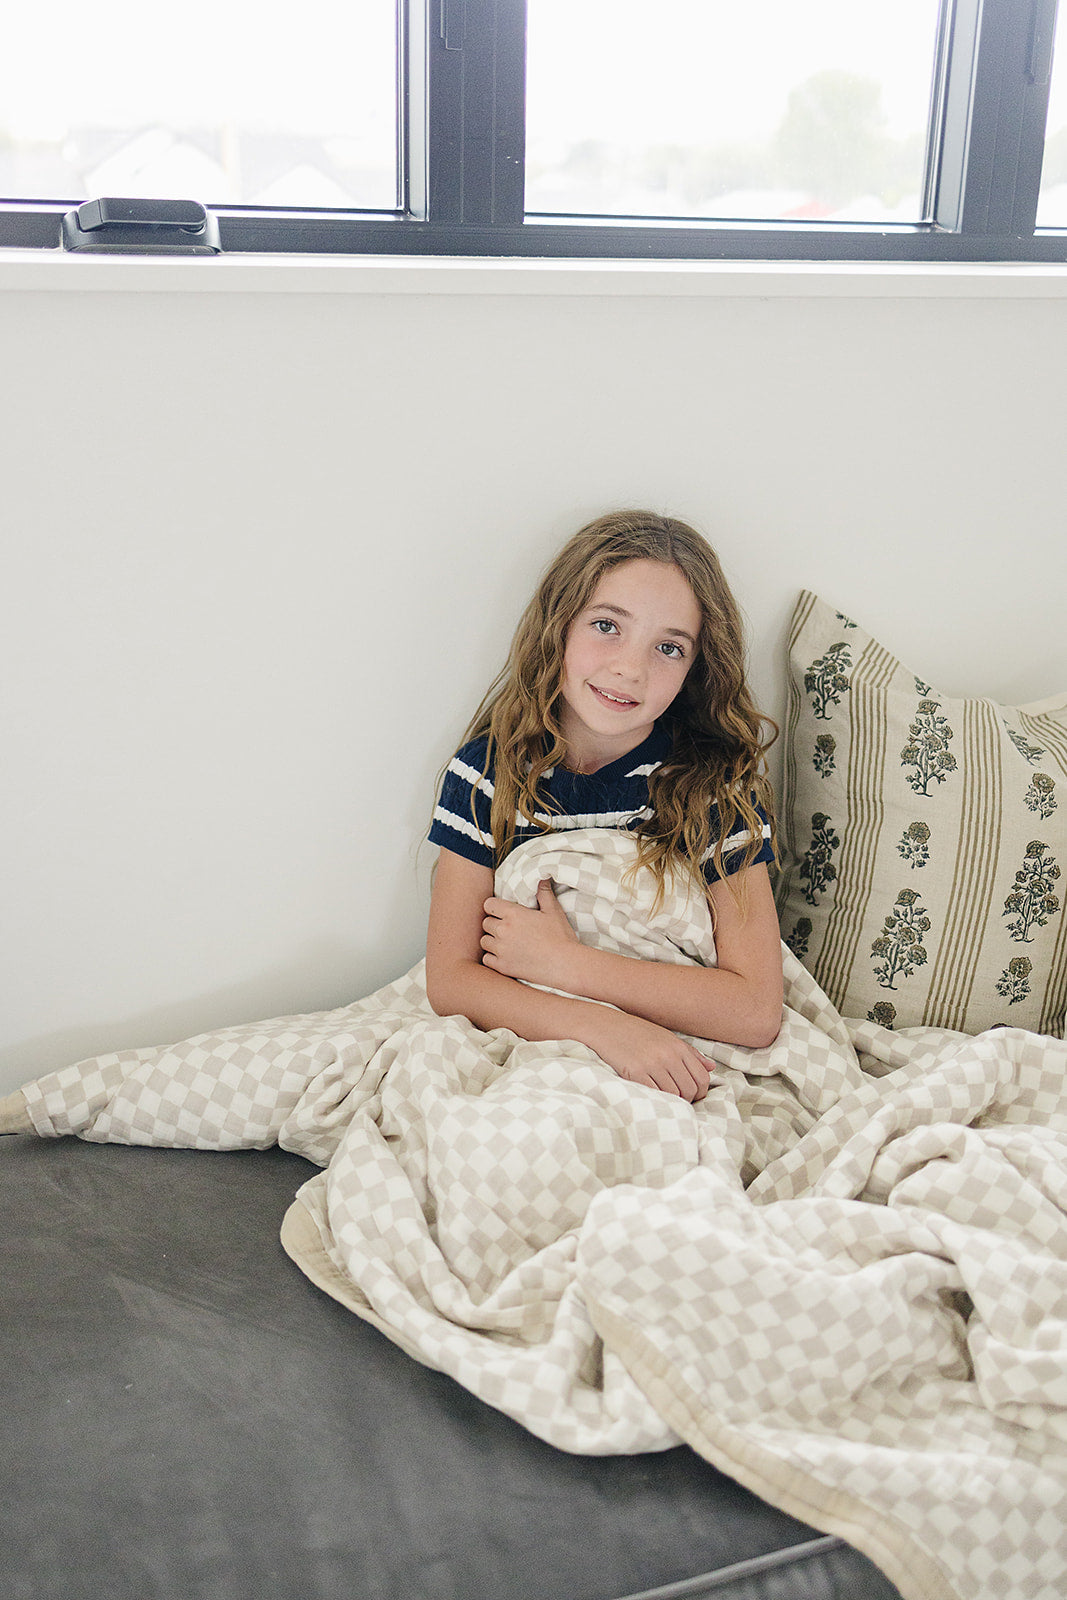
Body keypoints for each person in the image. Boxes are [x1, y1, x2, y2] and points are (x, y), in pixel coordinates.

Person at [425, 509, 783, 1105]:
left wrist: (568, 964)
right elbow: (451, 980)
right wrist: (606, 1028)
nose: (630, 668)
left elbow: (755, 1010)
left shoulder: (715, 787)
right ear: (559, 625)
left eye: (669, 647)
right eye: (607, 626)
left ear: (696, 669)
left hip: (682, 1055)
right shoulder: (488, 774)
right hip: (542, 1039)